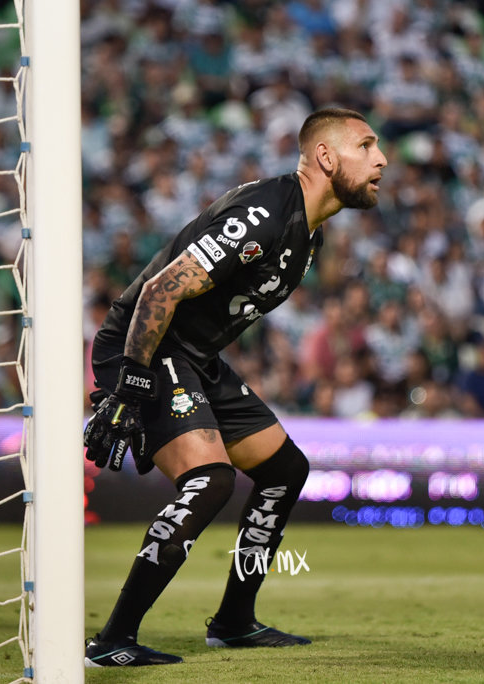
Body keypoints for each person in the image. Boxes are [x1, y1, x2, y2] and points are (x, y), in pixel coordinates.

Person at [82, 108, 387, 667]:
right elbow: (158, 291)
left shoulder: (307, 232)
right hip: (149, 345)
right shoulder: (266, 214)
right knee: (212, 480)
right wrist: (127, 388)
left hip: (195, 355)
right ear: (325, 156)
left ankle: (234, 622)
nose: (381, 159)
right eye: (366, 146)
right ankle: (112, 640)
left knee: (284, 470)